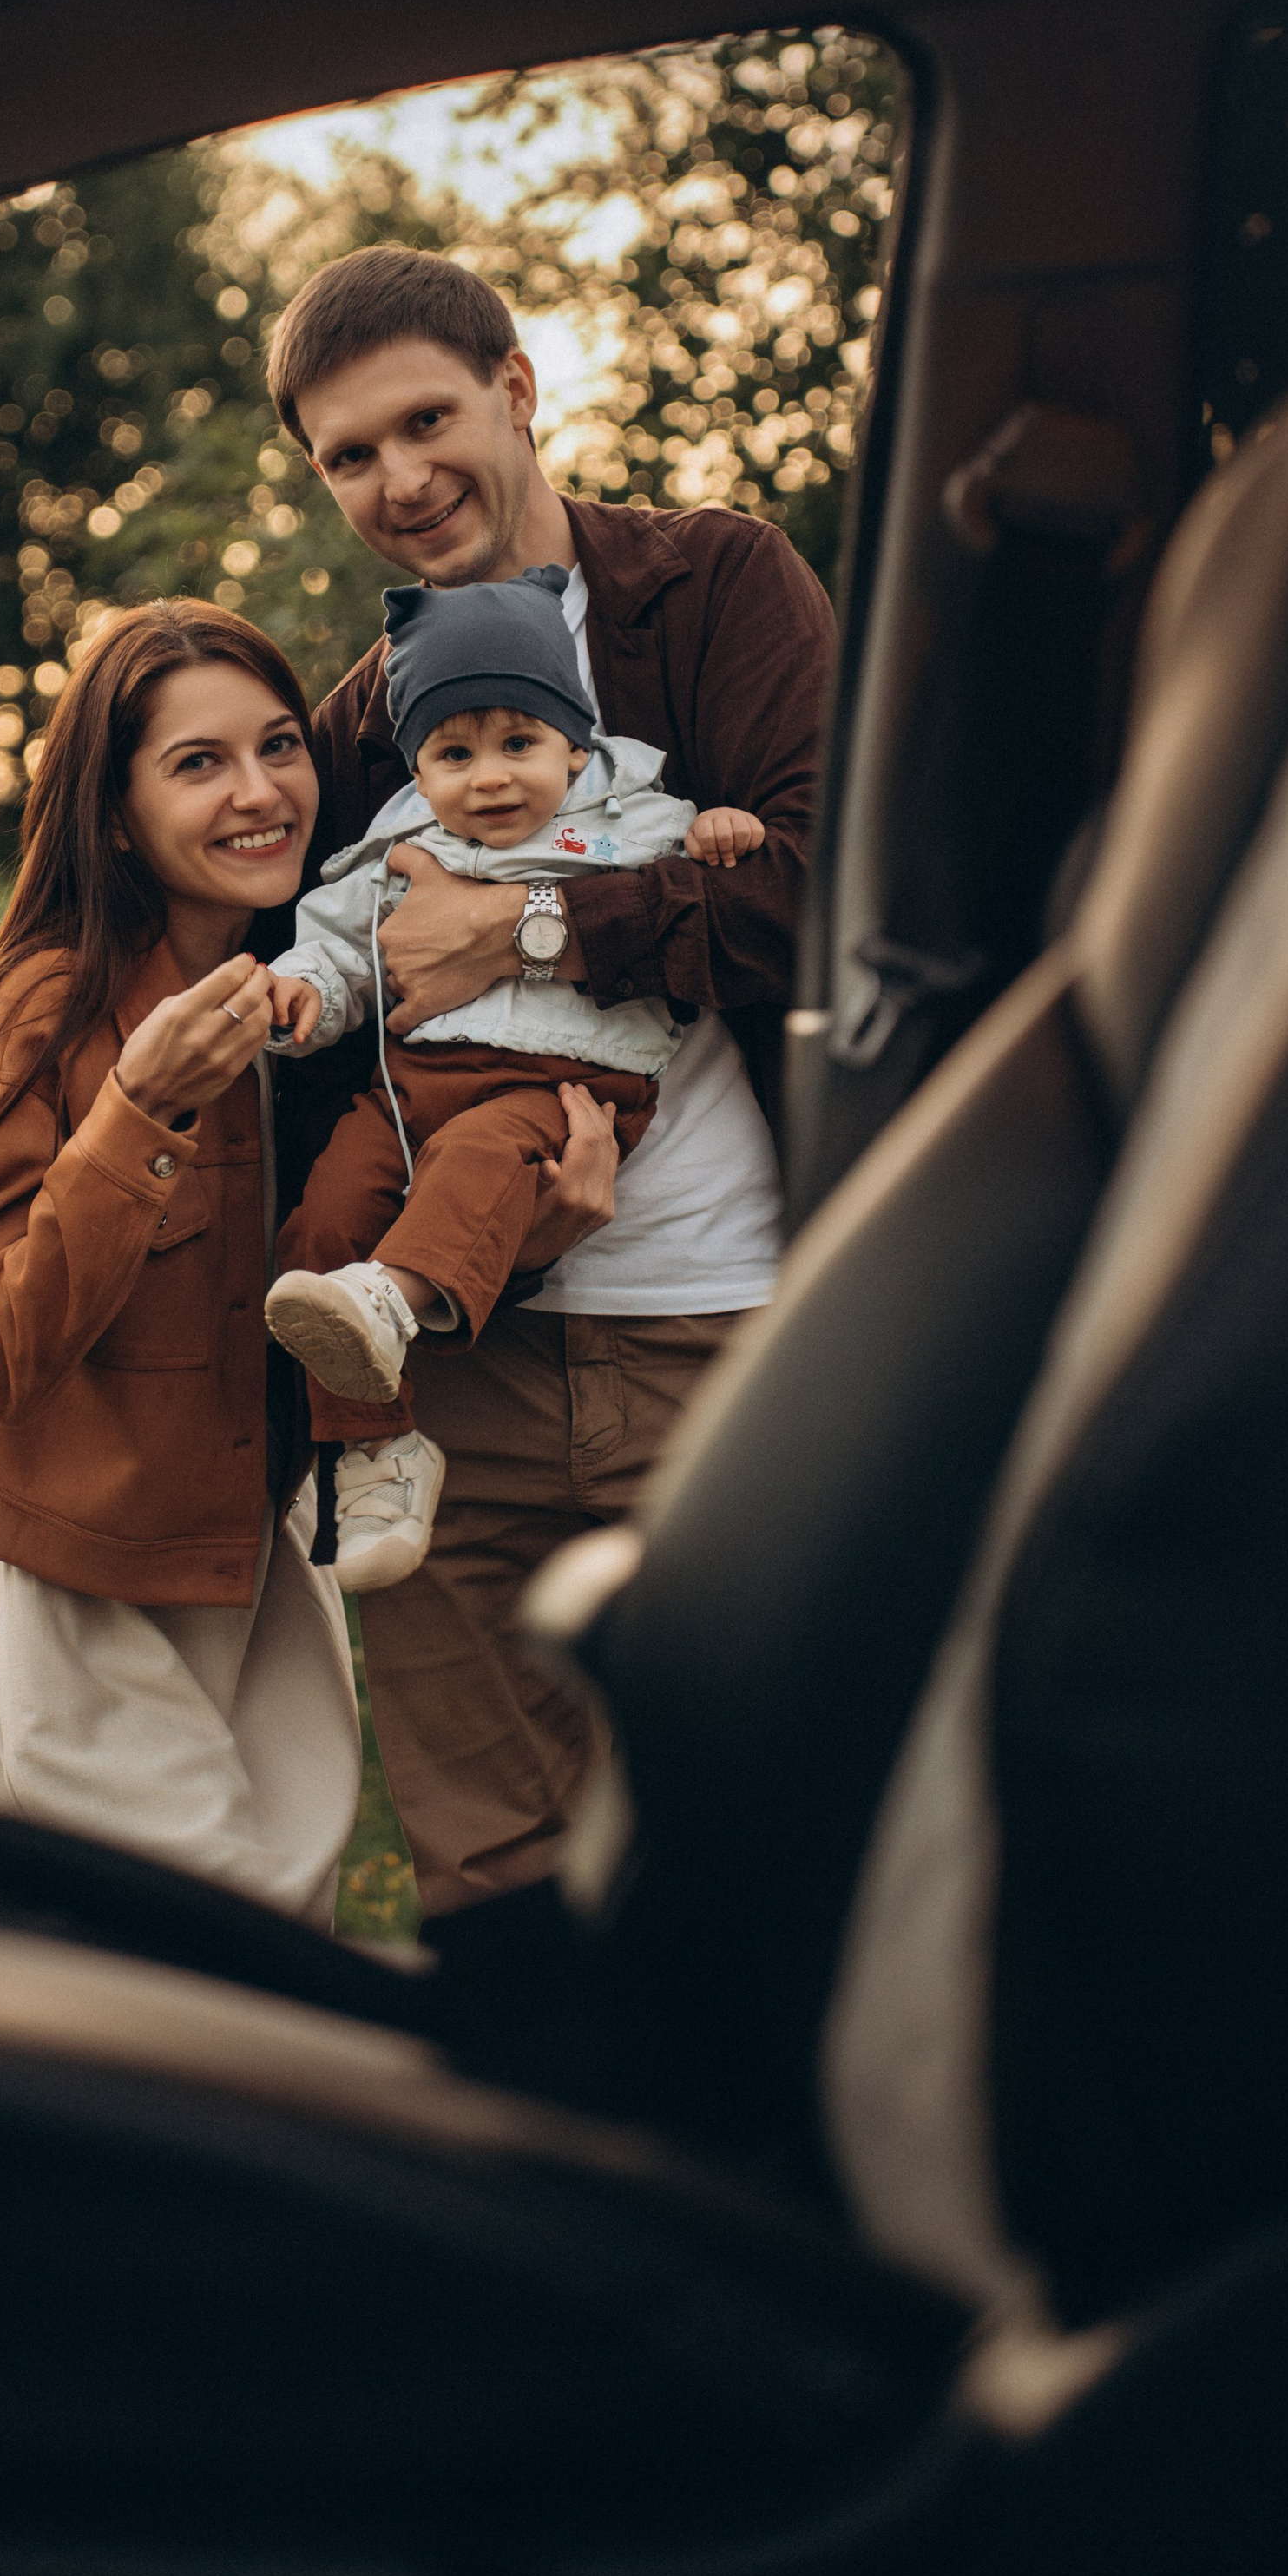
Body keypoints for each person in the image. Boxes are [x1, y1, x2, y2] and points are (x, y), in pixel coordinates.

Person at [267, 243, 835, 1941]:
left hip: (715, 1333)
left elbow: (820, 885)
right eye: (346, 456)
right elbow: (313, 978)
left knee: (776, 1844)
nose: (398, 478)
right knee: (496, 1878)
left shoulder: (718, 589)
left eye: (425, 419)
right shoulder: (366, 718)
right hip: (460, 1358)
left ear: (518, 393)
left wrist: (527, 923)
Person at [0, 601, 360, 1924]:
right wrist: (140, 1110)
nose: (260, 791)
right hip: (78, 1566)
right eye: (199, 763)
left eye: (279, 745)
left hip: (252, 1541)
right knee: (172, 1969)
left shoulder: (307, 990)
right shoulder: (42, 1006)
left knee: (291, 1930)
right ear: (113, 814)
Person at [262, 566, 761, 1594]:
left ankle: (395, 1303)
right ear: (418, 767)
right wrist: (302, 994)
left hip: (565, 1085)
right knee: (319, 1226)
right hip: (413, 1091)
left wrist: (724, 833)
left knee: (480, 1161)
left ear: (574, 745)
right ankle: (379, 1451)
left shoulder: (626, 821)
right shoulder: (398, 846)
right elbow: (342, 953)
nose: (488, 777)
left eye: (518, 745)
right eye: (453, 753)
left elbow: (709, 883)